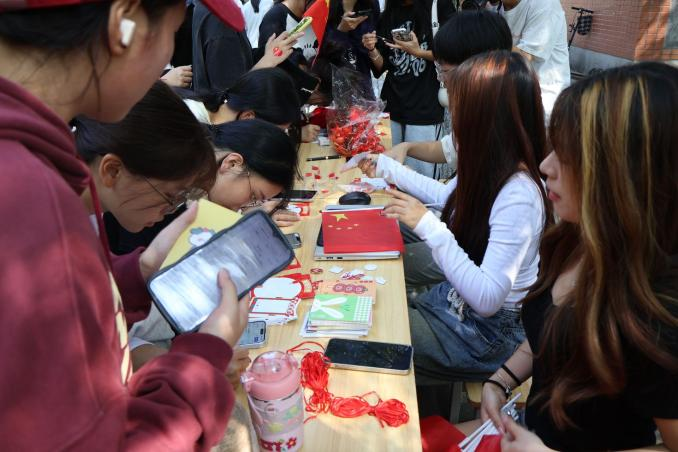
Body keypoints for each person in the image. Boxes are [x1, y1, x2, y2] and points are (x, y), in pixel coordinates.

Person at [0, 1, 250, 450]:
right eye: (173, 32)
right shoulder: (26, 199)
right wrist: (206, 355)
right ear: (124, 24)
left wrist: (140, 271)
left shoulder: (35, 175)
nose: (169, 61)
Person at [480, 63, 678, 452]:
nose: (545, 166)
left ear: (626, 173)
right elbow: (552, 336)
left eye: (569, 155)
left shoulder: (658, 311)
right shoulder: (573, 240)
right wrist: (501, 380)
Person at [353, 51, 550, 384]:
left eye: (458, 112)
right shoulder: (490, 162)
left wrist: (428, 226)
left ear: (486, 120)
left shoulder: (519, 194)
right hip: (458, 304)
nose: (453, 124)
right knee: (376, 305)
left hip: (486, 334)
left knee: (373, 330)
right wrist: (388, 168)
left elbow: (487, 299)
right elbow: (449, 198)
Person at [128, 119, 299, 366]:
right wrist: (199, 363)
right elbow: (126, 335)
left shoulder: (196, 201)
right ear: (232, 163)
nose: (246, 205)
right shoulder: (156, 214)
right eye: (253, 196)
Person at [75, 81, 216, 233]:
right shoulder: (59, 228)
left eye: (180, 199)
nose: (167, 211)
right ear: (113, 171)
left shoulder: (81, 215)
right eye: (171, 197)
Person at [384, 9, 512, 172]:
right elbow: (451, 148)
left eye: (444, 71)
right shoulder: (479, 114)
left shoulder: (500, 139)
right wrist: (406, 147)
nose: (441, 79)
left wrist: (405, 177)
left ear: (480, 70)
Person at [361, 0, 455, 177]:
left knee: (419, 177)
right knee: (387, 174)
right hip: (392, 106)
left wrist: (418, 52)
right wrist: (372, 49)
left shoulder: (438, 6)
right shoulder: (388, 15)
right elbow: (382, 66)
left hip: (424, 107)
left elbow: (453, 53)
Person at [192, 0, 302, 91]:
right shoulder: (219, 17)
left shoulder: (216, 8)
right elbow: (229, 96)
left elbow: (237, 60)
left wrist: (265, 52)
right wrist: (267, 61)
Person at [490, 0, 570, 119]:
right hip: (510, 91)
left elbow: (525, 56)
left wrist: (486, 39)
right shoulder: (493, 5)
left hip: (543, 97)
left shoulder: (545, 4)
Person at [324, 0, 380, 78]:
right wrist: (341, 31)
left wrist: (371, 47)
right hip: (332, 79)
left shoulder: (372, 4)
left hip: (362, 78)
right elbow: (320, 56)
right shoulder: (325, 6)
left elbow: (378, 68)